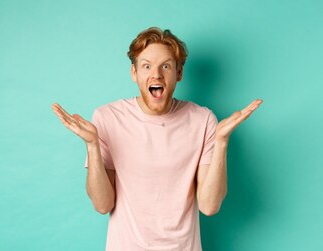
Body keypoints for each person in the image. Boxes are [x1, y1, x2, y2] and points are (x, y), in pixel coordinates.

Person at [51, 27, 262, 251]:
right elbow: (102, 205)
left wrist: (221, 142)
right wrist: (92, 145)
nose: (157, 75)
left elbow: (210, 206)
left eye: (166, 66)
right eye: (147, 66)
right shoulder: (107, 117)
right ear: (134, 73)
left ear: (179, 73)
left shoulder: (203, 120)